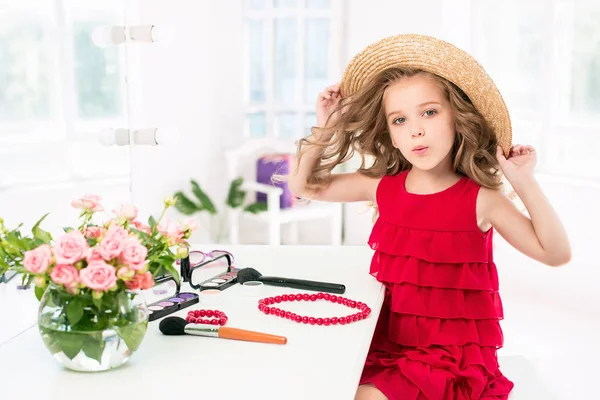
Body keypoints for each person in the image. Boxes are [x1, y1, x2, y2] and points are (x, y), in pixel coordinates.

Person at [287, 34, 571, 400]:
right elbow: (305, 185)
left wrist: (523, 180)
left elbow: (556, 253)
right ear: (390, 133)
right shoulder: (382, 186)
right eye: (400, 120)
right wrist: (327, 128)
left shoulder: (482, 201)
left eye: (429, 112)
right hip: (388, 344)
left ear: (458, 116)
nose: (416, 130)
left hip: (453, 358)